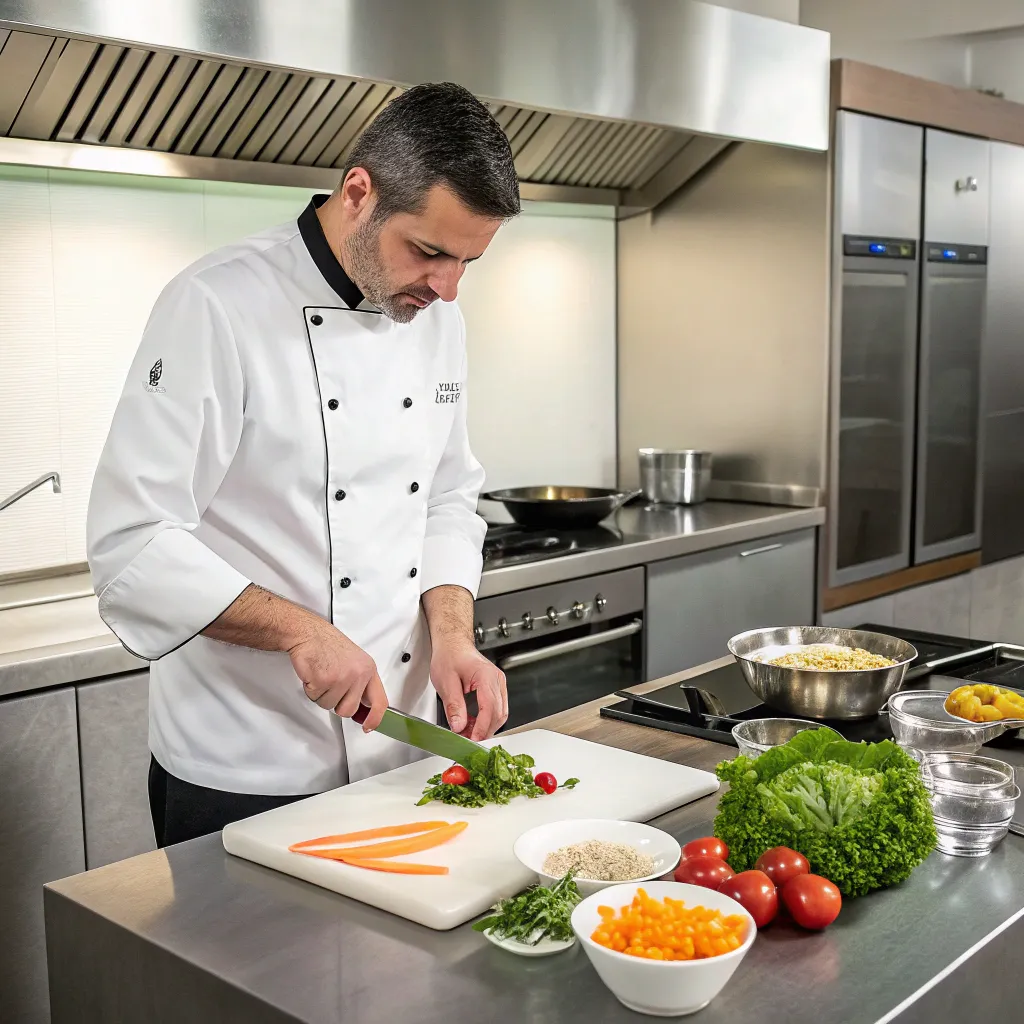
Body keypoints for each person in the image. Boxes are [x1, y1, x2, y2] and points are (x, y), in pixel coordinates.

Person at [86, 82, 518, 847]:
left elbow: (448, 496)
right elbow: (132, 544)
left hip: (400, 752)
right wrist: (300, 632)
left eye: (467, 262)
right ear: (359, 192)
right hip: (247, 765)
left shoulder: (429, 311)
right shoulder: (214, 305)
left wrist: (454, 635)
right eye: (430, 252)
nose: (448, 288)